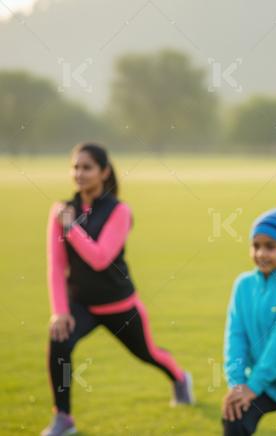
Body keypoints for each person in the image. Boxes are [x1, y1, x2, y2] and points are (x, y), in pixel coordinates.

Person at [42, 143, 192, 436]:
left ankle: (179, 377)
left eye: (87, 167)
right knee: (59, 343)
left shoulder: (119, 211)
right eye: (75, 167)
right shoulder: (61, 210)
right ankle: (63, 417)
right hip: (80, 305)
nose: (79, 173)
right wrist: (59, 312)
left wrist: (72, 228)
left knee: (147, 354)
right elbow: (56, 265)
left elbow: (100, 258)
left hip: (119, 305)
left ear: (104, 172)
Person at [221, 209, 276, 436]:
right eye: (256, 246)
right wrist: (237, 385)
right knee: (234, 416)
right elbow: (235, 337)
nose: (261, 253)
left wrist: (252, 386)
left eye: (270, 246)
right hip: (261, 384)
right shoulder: (243, 285)